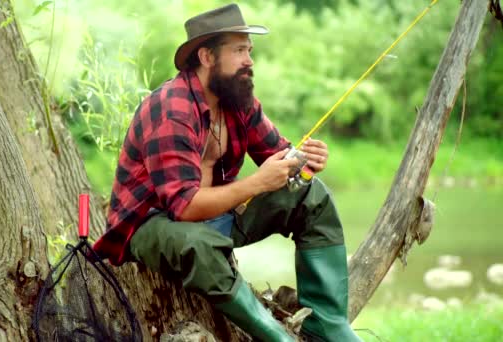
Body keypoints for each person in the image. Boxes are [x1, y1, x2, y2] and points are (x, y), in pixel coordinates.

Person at [93, 3, 362, 341]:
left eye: (249, 49)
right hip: (150, 226)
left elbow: (277, 153)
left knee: (310, 194)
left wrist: (302, 159)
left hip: (213, 219)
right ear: (207, 57)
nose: (249, 60)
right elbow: (184, 208)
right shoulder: (171, 109)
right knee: (198, 243)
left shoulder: (238, 98)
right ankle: (275, 335)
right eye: (238, 50)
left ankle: (327, 322)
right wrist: (255, 183)